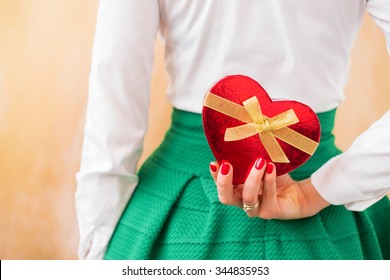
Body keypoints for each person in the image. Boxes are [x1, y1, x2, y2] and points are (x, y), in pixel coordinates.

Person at [76, 0, 390, 260]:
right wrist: (326, 187)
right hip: (330, 219)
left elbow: (114, 90)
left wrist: (97, 240)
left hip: (180, 210)